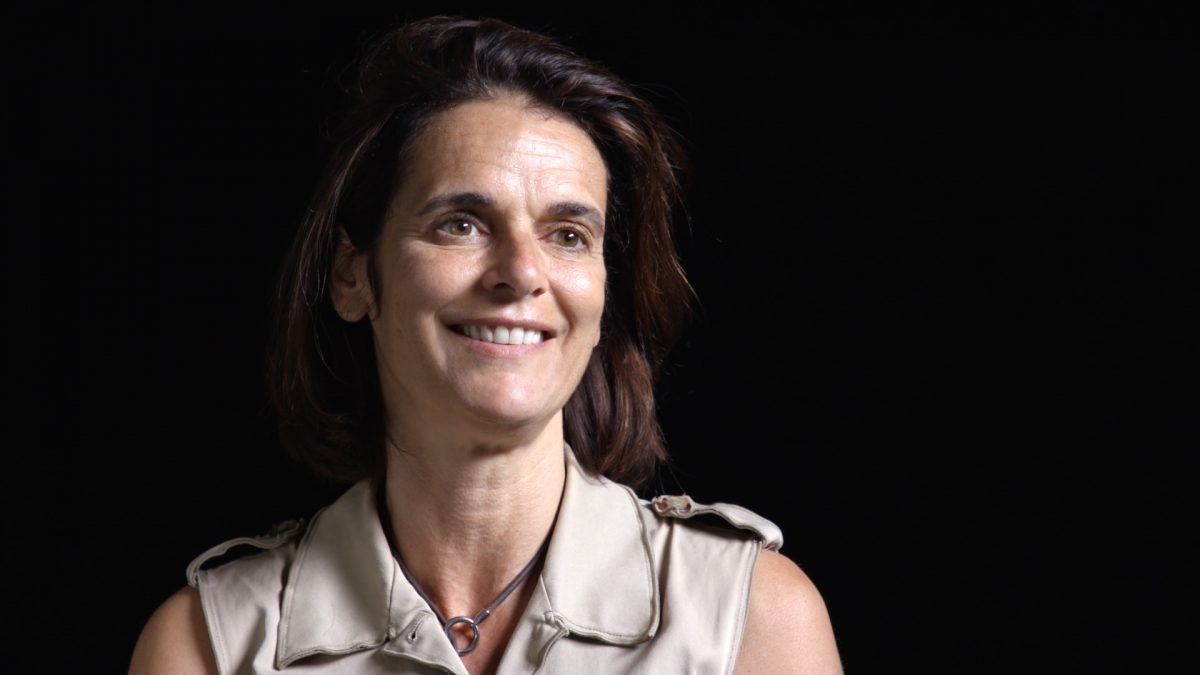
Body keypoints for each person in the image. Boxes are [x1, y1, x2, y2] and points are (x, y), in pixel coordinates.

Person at [131, 16, 841, 674]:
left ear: (603, 294)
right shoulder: (207, 645)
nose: (523, 273)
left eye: (569, 235)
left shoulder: (752, 620)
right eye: (462, 224)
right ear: (352, 275)